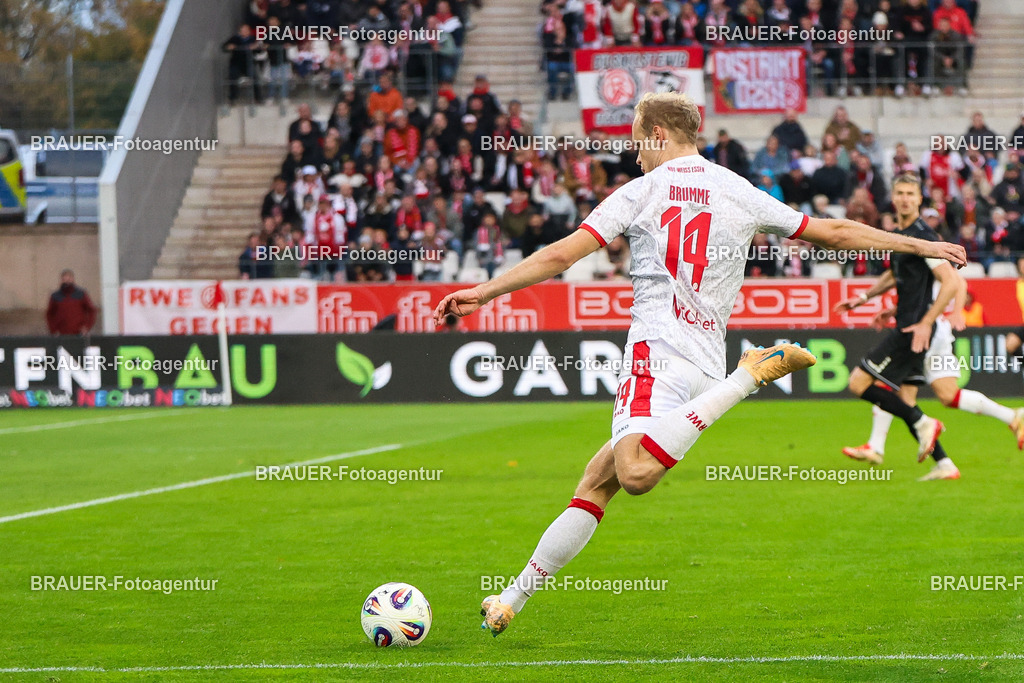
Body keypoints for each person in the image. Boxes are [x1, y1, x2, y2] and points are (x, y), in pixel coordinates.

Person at [432, 92, 966, 636]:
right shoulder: (737, 188)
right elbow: (836, 231)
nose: (635, 153)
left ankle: (750, 375)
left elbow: (559, 256)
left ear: (659, 135)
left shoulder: (640, 191)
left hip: (656, 354)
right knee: (598, 481)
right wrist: (921, 245)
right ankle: (511, 599)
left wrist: (484, 291)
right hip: (701, 367)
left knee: (635, 474)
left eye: (638, 140)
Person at [835, 173, 962, 481]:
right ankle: (944, 464)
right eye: (900, 193)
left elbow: (951, 281)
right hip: (908, 323)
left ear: (920, 199)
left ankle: (923, 424)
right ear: (894, 198)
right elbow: (896, 275)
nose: (905, 198)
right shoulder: (904, 236)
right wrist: (865, 297)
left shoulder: (925, 237)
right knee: (904, 397)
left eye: (911, 193)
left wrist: (925, 323)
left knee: (859, 384)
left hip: (912, 331)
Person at [841, 271, 1024, 476]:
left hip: (928, 331)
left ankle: (876, 446)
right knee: (936, 396)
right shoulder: (916, 252)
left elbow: (956, 281)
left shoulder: (924, 247)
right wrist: (895, 310)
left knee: (887, 385)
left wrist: (956, 311)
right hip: (934, 330)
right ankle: (945, 463)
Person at [46, 270, 97, 335]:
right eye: (64, 279)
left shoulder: (81, 294)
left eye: (69, 279)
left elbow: (91, 311)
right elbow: (49, 314)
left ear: (73, 279)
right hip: (61, 334)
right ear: (61, 280)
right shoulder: (55, 296)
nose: (67, 281)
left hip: (79, 334)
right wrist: (53, 329)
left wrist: (87, 327)